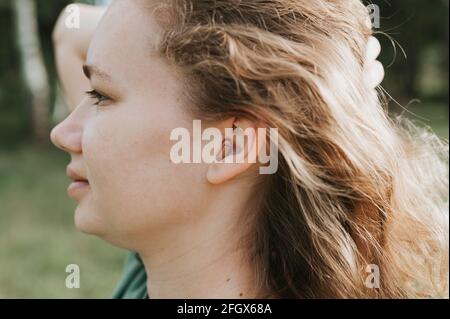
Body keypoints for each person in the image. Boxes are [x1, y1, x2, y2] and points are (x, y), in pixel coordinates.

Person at [51, 0, 448, 298]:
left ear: (230, 147)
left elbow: (72, 31)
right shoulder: (168, 260)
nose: (63, 134)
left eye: (101, 95)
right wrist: (318, 68)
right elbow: (72, 34)